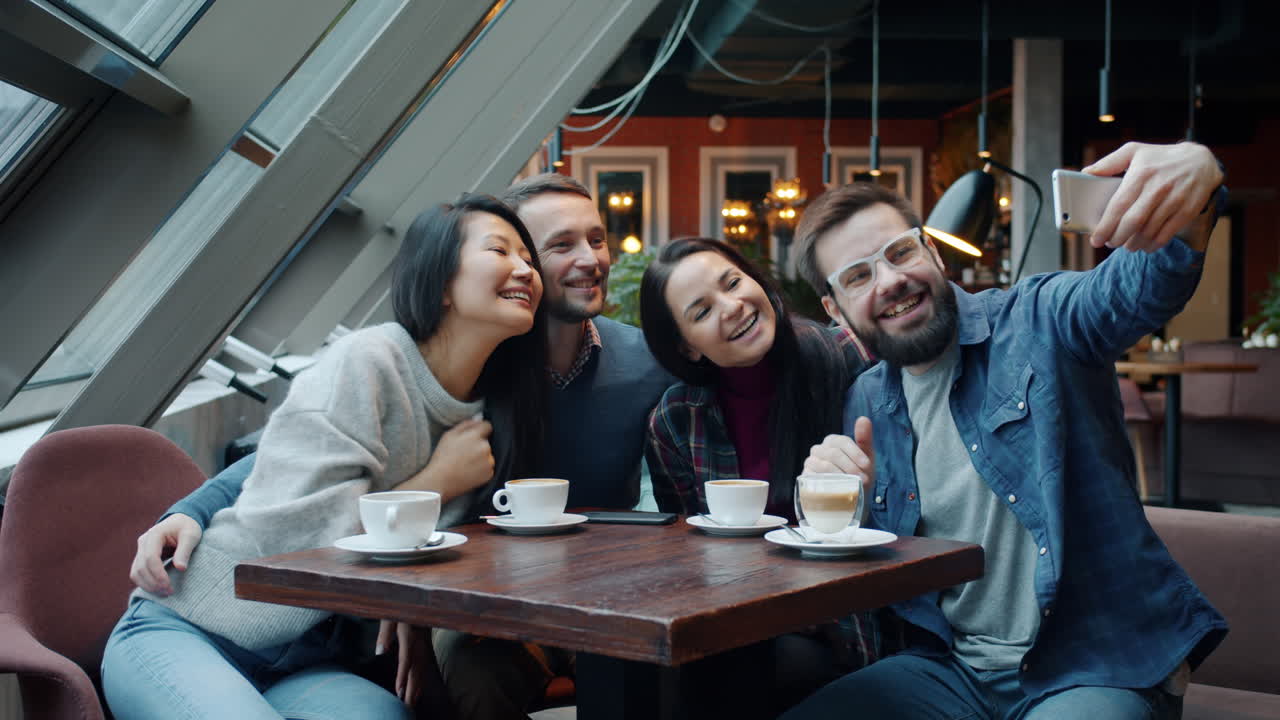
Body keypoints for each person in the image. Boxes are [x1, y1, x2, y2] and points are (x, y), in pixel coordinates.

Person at [127, 173, 674, 720]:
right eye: (549, 247)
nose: (585, 259)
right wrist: (189, 510)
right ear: (445, 281)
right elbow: (283, 465)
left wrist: (410, 612)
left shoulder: (514, 386)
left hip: (319, 658)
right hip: (206, 627)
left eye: (596, 239)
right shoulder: (412, 366)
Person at [781, 141, 1229, 720]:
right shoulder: (867, 400)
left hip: (1092, 662)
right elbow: (871, 570)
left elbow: (1137, 288)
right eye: (859, 275)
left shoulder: (1039, 320)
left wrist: (1196, 176)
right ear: (837, 311)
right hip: (952, 670)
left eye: (899, 252)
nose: (889, 280)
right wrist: (830, 507)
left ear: (934, 256)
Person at [639, 237, 879, 713]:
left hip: (859, 623)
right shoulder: (676, 421)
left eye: (733, 283)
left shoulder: (849, 357)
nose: (732, 307)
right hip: (746, 623)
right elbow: (687, 560)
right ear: (686, 347)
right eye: (702, 311)